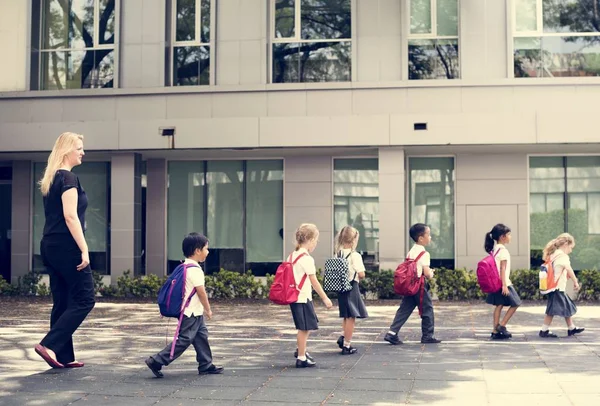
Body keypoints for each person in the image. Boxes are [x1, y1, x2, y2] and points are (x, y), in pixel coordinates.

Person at [34, 132, 95, 369]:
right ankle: (49, 344)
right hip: (67, 246)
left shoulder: (52, 179)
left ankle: (62, 355)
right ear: (66, 150)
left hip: (49, 244)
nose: (82, 152)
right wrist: (84, 248)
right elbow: (70, 217)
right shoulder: (69, 178)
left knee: (63, 300)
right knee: (85, 299)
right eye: (79, 148)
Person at [145, 232, 224, 377]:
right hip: (190, 312)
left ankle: (206, 364)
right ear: (197, 251)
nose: (208, 251)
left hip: (193, 312)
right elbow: (201, 293)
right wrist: (208, 309)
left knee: (201, 336)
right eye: (206, 248)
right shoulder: (195, 270)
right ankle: (156, 361)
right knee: (184, 340)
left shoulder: (183, 266)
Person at [384, 223, 441, 345]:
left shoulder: (411, 251)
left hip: (409, 285)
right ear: (421, 238)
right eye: (428, 235)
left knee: (404, 309)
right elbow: (426, 272)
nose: (430, 237)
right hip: (419, 285)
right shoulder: (424, 254)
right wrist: (431, 273)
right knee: (427, 309)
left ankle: (392, 333)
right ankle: (427, 335)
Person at [289, 223, 333, 368]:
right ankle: (301, 357)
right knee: (304, 328)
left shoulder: (292, 255)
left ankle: (301, 350)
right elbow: (314, 281)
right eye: (316, 240)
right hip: (302, 297)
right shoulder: (306, 258)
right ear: (310, 239)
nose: (316, 243)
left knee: (304, 327)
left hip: (295, 296)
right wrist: (325, 298)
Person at [539, 233, 585, 338]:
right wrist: (575, 281)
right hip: (557, 288)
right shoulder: (563, 256)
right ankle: (544, 331)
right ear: (565, 245)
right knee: (551, 311)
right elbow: (569, 269)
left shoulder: (554, 254)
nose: (571, 250)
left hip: (554, 287)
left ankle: (571, 328)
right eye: (571, 247)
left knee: (566, 307)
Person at [335, 226, 368, 355]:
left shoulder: (338, 254)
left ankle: (344, 339)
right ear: (354, 240)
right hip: (351, 286)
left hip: (340, 287)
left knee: (345, 315)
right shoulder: (355, 255)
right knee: (351, 317)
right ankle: (347, 345)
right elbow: (361, 274)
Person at [484, 224, 521, 339]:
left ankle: (495, 331)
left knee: (499, 305)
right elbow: (502, 268)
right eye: (509, 234)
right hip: (503, 283)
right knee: (516, 303)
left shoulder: (495, 249)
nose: (510, 237)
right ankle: (502, 326)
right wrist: (505, 285)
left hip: (495, 282)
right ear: (502, 237)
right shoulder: (503, 250)